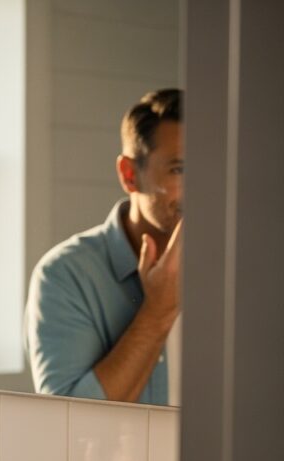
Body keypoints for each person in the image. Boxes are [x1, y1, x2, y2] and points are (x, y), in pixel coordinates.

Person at [24, 88, 183, 405]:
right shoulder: (64, 276)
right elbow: (69, 428)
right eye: (179, 169)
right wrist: (157, 313)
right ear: (129, 175)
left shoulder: (242, 270)